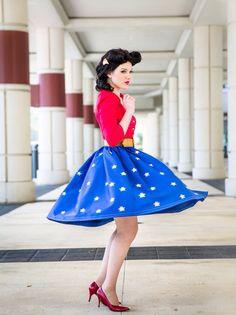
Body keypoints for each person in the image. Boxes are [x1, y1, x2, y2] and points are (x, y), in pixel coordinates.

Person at [47, 48, 208, 312]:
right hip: (116, 163)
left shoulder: (115, 96)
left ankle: (100, 282)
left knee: (125, 230)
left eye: (130, 71)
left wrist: (126, 107)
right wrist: (129, 110)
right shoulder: (108, 99)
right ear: (108, 72)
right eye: (123, 71)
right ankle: (107, 287)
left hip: (124, 160)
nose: (128, 75)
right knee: (128, 230)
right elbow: (112, 138)